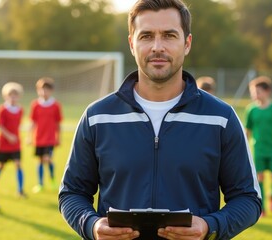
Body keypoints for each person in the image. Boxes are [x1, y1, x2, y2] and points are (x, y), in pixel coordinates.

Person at [59, 0, 261, 239]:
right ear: (131, 44)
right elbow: (71, 193)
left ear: (186, 44)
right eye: (146, 36)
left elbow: (248, 199)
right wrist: (91, 225)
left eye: (168, 35)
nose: (157, 47)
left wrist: (210, 226)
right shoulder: (98, 117)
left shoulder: (220, 118)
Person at [245, 76, 272, 217]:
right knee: (260, 178)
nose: (255, 95)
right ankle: (262, 208)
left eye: (258, 91)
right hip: (258, 150)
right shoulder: (251, 110)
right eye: (253, 92)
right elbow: (248, 131)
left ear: (267, 91)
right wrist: (244, 147)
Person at [0, 82, 26, 198]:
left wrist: (14, 137)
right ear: (5, 96)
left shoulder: (20, 110)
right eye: (10, 95)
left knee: (18, 165)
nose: (13, 98)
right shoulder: (2, 109)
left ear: (19, 96)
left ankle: (20, 190)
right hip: (4, 143)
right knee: (0, 165)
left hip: (15, 144)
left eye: (15, 95)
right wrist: (9, 136)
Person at [29, 77, 63, 193]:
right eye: (41, 90)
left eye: (46, 90)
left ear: (51, 91)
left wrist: (59, 137)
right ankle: (40, 183)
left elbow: (58, 123)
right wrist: (29, 137)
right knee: (40, 161)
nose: (44, 92)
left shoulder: (56, 105)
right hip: (39, 138)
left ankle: (53, 180)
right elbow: (33, 122)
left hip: (50, 139)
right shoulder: (35, 105)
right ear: (38, 90)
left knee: (47, 159)